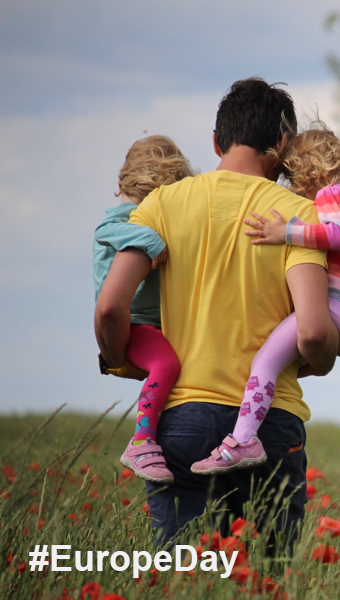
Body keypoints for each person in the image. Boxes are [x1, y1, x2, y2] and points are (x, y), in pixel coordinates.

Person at [95, 78, 339, 546]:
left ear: (215, 142)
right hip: (270, 425)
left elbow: (110, 306)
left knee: (186, 574)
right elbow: (312, 332)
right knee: (267, 574)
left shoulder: (160, 205)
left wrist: (121, 359)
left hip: (181, 420)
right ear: (283, 144)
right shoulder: (298, 217)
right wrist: (321, 360)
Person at [191, 123, 340, 474]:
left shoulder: (333, 194)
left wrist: (285, 232)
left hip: (335, 310)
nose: (297, 191)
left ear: (312, 172)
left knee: (264, 362)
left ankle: (242, 440)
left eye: (296, 180)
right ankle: (253, 421)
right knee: (282, 364)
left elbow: (335, 236)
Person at [93, 135, 194, 484]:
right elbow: (106, 230)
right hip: (134, 323)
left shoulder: (139, 214)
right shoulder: (124, 218)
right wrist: (151, 240)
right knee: (166, 365)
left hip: (151, 323)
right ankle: (141, 441)